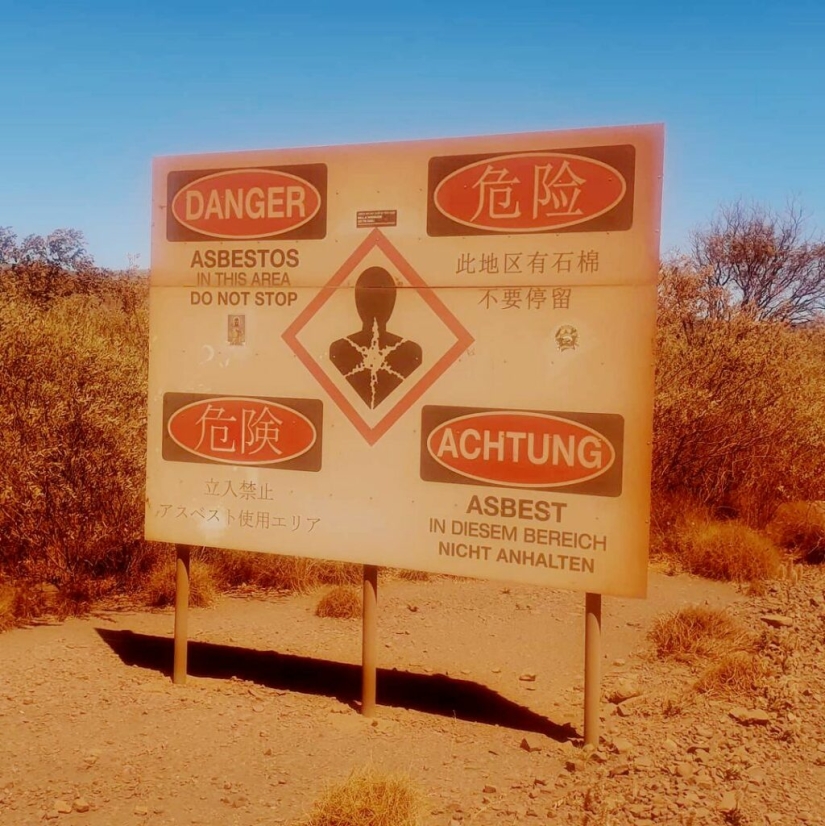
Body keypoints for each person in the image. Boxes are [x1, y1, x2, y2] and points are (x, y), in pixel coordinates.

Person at [329, 266, 422, 409]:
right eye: (368, 299)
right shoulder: (338, 349)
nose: (376, 306)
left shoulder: (412, 352)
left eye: (382, 299)